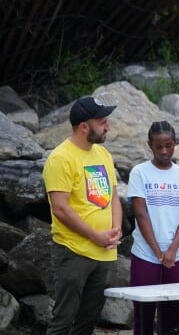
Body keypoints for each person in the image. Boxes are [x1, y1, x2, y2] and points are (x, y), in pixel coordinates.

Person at [42, 96, 123, 334]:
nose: (108, 127)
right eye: (103, 122)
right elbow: (60, 208)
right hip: (73, 251)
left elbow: (113, 198)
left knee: (88, 321)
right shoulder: (60, 158)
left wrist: (116, 228)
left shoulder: (103, 155)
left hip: (105, 251)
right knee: (63, 320)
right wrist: (94, 235)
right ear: (84, 126)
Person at [127, 121, 179, 334]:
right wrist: (158, 252)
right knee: (144, 314)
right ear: (150, 145)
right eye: (159, 147)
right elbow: (140, 214)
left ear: (175, 143)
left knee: (172, 314)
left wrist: (173, 250)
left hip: (177, 255)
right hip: (146, 254)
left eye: (169, 145)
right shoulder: (140, 173)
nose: (165, 151)